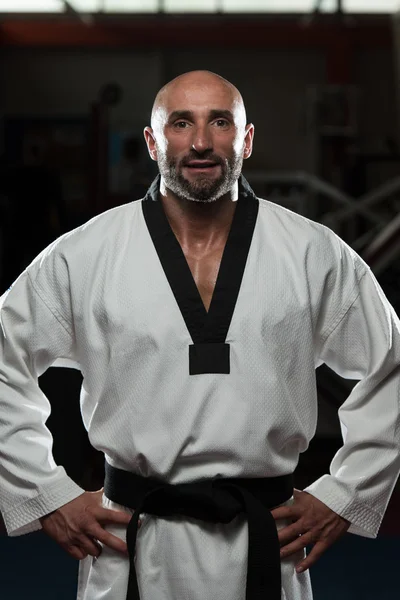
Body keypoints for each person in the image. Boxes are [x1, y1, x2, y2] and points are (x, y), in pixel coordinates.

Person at [0, 70, 399, 600]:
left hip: (264, 543)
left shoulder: (312, 254)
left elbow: (390, 365)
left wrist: (348, 493)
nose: (202, 142)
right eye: (181, 123)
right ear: (152, 141)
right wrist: (44, 492)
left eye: (221, 122)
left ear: (247, 139)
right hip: (132, 544)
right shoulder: (86, 254)